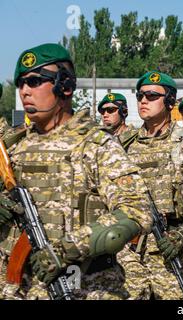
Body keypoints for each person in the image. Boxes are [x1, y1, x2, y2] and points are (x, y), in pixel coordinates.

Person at [0, 43, 152, 300]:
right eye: (21, 83)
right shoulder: (13, 147)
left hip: (84, 286)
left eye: (35, 81)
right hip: (17, 289)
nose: (25, 90)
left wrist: (66, 249)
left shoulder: (94, 144)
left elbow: (135, 209)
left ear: (65, 86)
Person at [120, 71, 183, 300]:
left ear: (169, 102)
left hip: (171, 248)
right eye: (140, 95)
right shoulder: (125, 145)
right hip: (130, 249)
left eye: (152, 95)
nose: (143, 100)